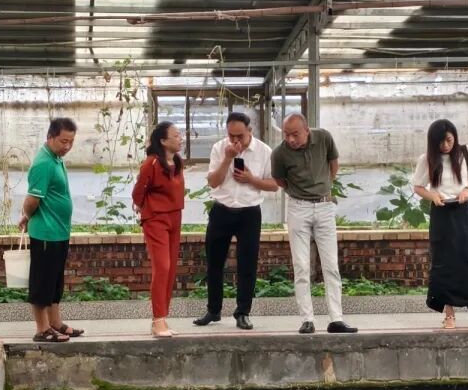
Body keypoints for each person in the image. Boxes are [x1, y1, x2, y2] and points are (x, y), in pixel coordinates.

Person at [270, 114, 356, 335]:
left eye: (295, 134)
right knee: (301, 266)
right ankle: (307, 319)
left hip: (325, 206)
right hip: (298, 207)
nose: (290, 139)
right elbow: (280, 180)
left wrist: (324, 186)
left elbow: (333, 164)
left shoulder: (324, 138)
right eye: (286, 134)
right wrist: (299, 192)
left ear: (306, 130)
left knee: (331, 265)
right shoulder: (279, 153)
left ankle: (336, 318)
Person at [193, 112, 278, 330]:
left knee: (247, 263)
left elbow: (274, 185)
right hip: (222, 209)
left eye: (240, 135)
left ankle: (243, 312)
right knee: (214, 261)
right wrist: (227, 158)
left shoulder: (264, 151)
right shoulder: (219, 148)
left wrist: (251, 179)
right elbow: (213, 182)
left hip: (249, 212)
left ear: (250, 131)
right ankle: (213, 310)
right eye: (231, 135)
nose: (235, 140)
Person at [411, 118, 468, 329]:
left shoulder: (465, 152)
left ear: (455, 137)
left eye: (449, 140)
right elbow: (418, 187)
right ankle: (449, 314)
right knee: (444, 262)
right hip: (441, 212)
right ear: (433, 142)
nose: (446, 145)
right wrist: (433, 195)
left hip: (464, 210)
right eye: (441, 142)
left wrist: (467, 189)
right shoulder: (427, 159)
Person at [20, 117, 85, 342]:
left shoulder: (56, 159)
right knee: (42, 282)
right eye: (63, 141)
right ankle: (42, 329)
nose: (67, 146)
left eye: (71, 142)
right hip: (46, 233)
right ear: (50, 137)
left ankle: (56, 323)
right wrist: (28, 216)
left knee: (55, 282)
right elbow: (32, 200)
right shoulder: (43, 163)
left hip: (58, 232)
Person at [132, 121, 185, 338]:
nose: (180, 138)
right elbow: (138, 193)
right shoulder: (151, 163)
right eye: (176, 135)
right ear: (163, 141)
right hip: (156, 219)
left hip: (175, 217)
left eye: (180, 135)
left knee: (171, 269)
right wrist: (144, 208)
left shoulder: (177, 162)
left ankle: (163, 317)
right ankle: (157, 319)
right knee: (162, 266)